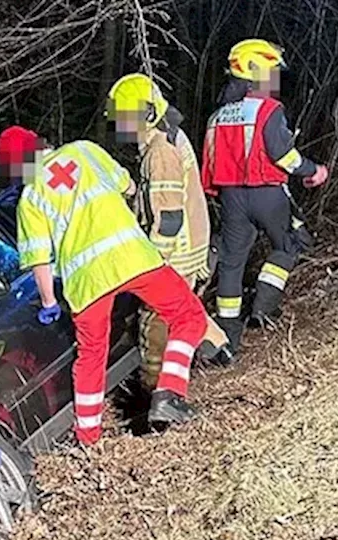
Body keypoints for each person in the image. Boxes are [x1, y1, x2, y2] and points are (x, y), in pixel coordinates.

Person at [0, 125, 208, 445]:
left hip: (86, 283)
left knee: (91, 358)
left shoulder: (30, 200)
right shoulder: (83, 149)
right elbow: (129, 187)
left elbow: (39, 259)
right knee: (189, 316)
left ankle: (88, 439)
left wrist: (50, 302)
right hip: (132, 258)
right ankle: (169, 393)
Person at [106, 73, 234, 394]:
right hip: (189, 244)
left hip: (176, 251)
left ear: (146, 114)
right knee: (185, 305)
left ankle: (159, 391)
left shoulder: (159, 153)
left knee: (155, 322)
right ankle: (220, 352)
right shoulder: (164, 139)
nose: (120, 125)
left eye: (126, 118)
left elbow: (169, 219)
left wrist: (152, 264)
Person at [201, 39, 329, 354]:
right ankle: (264, 307)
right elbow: (284, 156)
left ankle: (228, 337)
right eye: (271, 72)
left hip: (231, 199)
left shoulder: (216, 117)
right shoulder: (269, 109)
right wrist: (313, 170)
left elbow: (209, 164)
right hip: (268, 194)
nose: (274, 80)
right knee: (290, 243)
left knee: (231, 264)